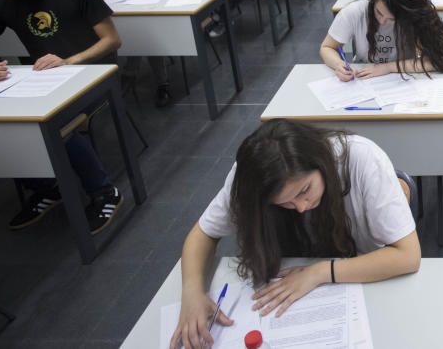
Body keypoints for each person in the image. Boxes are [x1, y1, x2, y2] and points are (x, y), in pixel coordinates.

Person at [170, 121, 420, 349]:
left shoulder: (362, 159)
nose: (301, 207)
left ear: (320, 162)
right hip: (293, 285)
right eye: (284, 203)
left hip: (364, 277)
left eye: (305, 190)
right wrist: (192, 292)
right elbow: (202, 234)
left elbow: (408, 256)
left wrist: (319, 273)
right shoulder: (252, 178)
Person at [0, 0, 124, 233]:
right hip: (42, 80)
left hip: (91, 74)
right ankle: (47, 187)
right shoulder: (2, 1)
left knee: (58, 125)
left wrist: (69, 61)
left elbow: (112, 40)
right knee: (2, 126)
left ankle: (104, 191)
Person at [321, 0, 443, 79]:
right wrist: (338, 65)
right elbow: (327, 47)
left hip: (405, 77)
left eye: (392, 19)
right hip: (363, 77)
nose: (382, 22)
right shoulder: (354, 12)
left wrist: (388, 67)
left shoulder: (416, 15)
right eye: (378, 13)